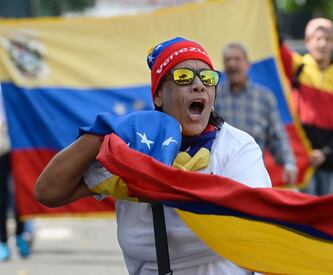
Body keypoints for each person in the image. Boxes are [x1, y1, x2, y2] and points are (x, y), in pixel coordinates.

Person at [35, 37, 271, 275]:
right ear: (158, 96)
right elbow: (48, 192)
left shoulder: (236, 147)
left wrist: (170, 183)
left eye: (208, 78)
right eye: (183, 77)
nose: (199, 85)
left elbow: (262, 233)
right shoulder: (131, 148)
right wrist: (101, 134)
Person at [280, 17, 333, 195]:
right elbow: (275, 39)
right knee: (302, 215)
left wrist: (325, 154)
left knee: (325, 215)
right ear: (307, 42)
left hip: (328, 161)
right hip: (300, 157)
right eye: (317, 38)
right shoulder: (296, 67)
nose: (322, 44)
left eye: (327, 39)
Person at [215, 43, 297, 186]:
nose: (232, 64)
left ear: (247, 65)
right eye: (228, 60)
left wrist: (289, 163)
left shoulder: (264, 97)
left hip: (253, 174)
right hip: (219, 175)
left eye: (237, 59)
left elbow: (277, 136)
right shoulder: (214, 97)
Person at [0, 91, 31, 261]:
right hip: (2, 146)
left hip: (21, 145)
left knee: (21, 192)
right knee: (2, 197)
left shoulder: (12, 83)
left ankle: (21, 233)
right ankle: (3, 241)